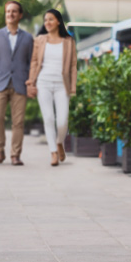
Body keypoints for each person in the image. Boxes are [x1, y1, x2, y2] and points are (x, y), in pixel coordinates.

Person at [0, 0, 34, 165]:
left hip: (20, 83)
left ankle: (15, 155)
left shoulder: (28, 38)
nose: (10, 14)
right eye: (8, 11)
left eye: (14, 11)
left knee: (18, 122)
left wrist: (32, 82)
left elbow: (32, 62)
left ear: (20, 15)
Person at [26, 9, 77, 166]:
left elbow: (73, 66)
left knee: (62, 121)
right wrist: (31, 82)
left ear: (58, 22)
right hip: (43, 82)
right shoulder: (40, 40)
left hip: (63, 84)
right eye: (45, 20)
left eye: (51, 19)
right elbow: (34, 62)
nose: (47, 23)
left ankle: (59, 142)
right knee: (48, 118)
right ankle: (53, 152)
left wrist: (73, 87)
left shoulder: (69, 41)